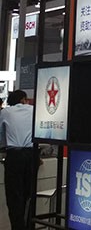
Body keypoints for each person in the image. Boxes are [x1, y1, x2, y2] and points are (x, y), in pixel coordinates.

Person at [0, 90, 35, 230]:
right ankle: (29, 225)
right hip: (32, 155)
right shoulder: (33, 110)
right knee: (30, 194)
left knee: (14, 195)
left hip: (14, 156)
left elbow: (1, 136)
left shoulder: (6, 112)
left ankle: (17, 227)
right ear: (23, 99)